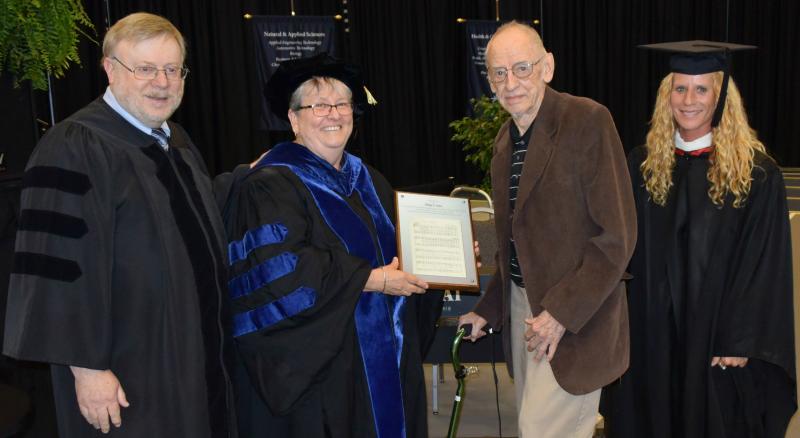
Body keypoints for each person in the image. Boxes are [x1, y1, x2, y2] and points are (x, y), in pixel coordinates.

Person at [2, 12, 237, 437]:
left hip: (191, 357)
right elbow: (59, 269)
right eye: (144, 69)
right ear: (110, 69)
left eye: (171, 69)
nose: (161, 82)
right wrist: (87, 368)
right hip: (125, 370)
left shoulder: (176, 142)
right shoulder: (75, 146)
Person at [222, 53, 440, 438]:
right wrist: (368, 280)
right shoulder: (269, 184)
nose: (333, 114)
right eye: (318, 105)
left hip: (385, 354)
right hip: (323, 370)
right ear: (293, 119)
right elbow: (279, 274)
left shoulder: (370, 180)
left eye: (341, 104)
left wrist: (443, 259)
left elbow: (402, 255)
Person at [602, 41, 796, 438]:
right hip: (652, 332)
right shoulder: (642, 166)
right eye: (679, 88)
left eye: (701, 89)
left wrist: (740, 338)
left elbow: (765, 264)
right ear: (665, 97)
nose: (688, 100)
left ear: (722, 97)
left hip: (716, 338)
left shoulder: (756, 175)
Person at [457, 21, 636, 437]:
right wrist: (489, 308)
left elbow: (617, 238)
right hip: (524, 312)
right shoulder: (505, 143)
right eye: (499, 73)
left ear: (548, 66)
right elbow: (513, 245)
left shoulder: (587, 120)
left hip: (575, 317)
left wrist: (560, 314)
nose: (511, 82)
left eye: (522, 68)